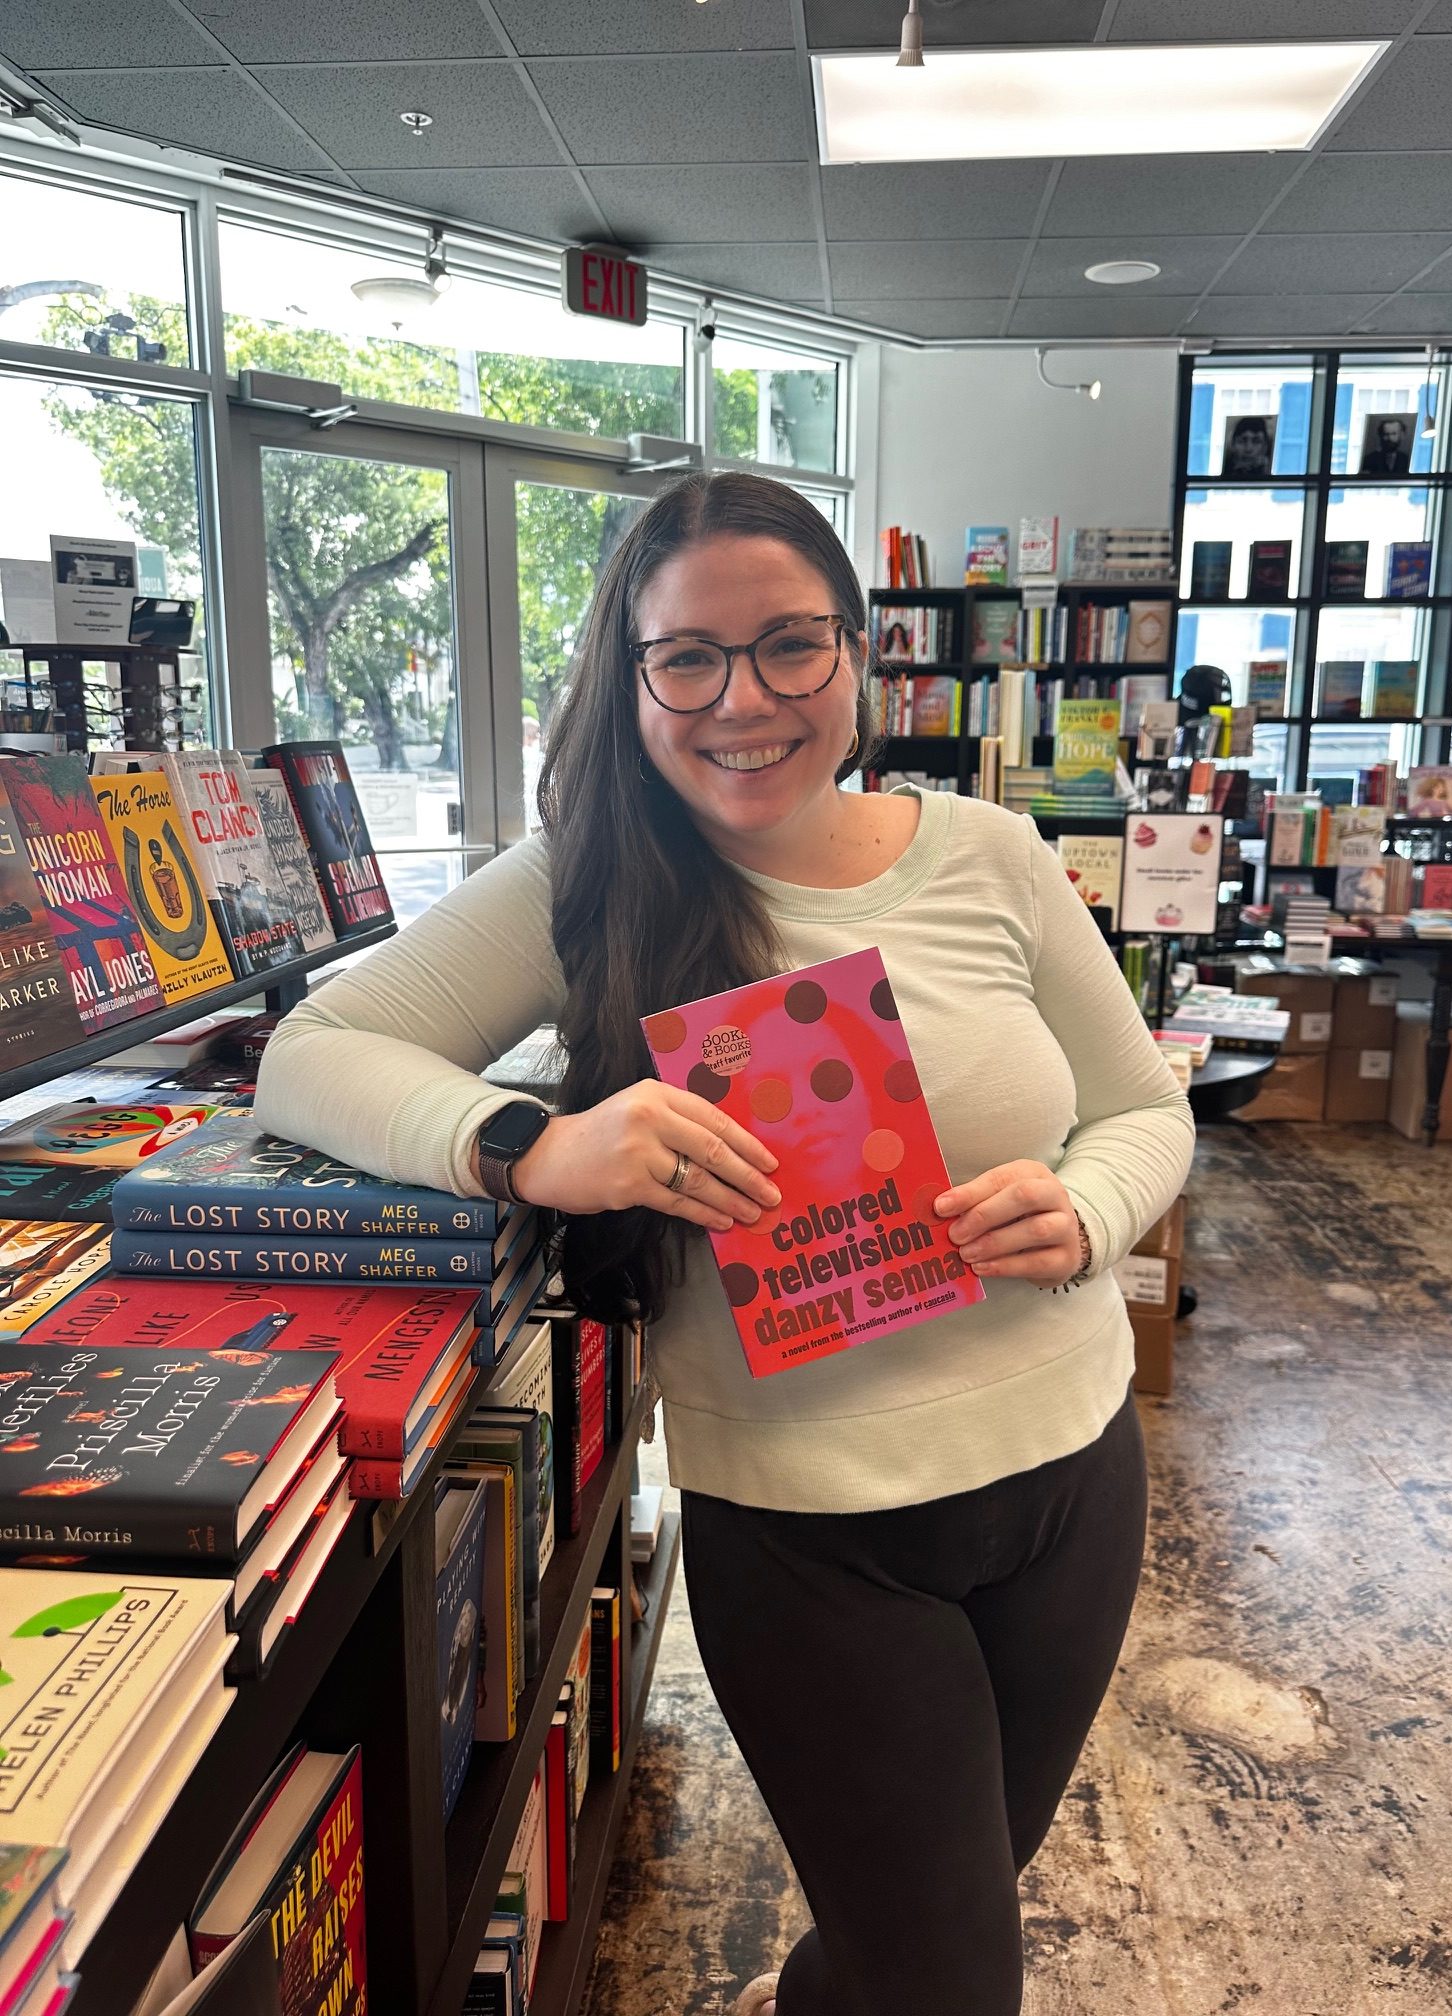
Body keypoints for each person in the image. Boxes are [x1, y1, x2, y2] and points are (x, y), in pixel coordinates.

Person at [255, 473, 1194, 2016]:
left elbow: (1150, 1116)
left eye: (788, 647)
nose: (741, 700)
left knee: (928, 1927)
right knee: (952, 1978)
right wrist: (540, 1146)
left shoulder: (992, 856)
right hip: (818, 1531)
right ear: (628, 677)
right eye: (687, 657)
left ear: (856, 658)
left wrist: (1089, 1207)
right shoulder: (584, 882)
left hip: (1073, 1481)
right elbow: (318, 1046)